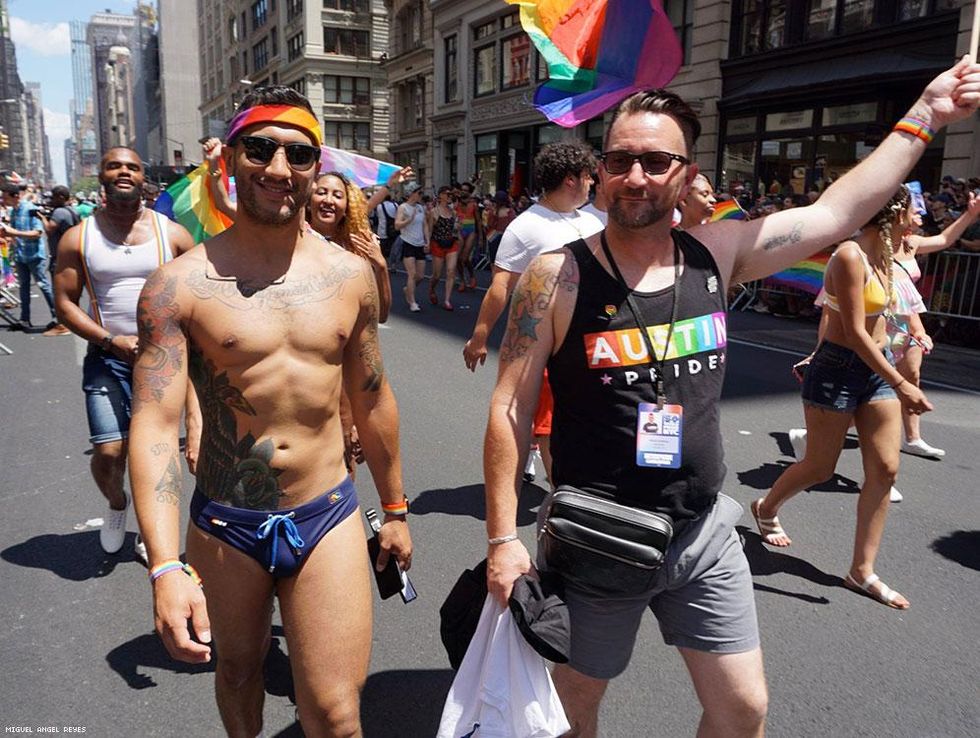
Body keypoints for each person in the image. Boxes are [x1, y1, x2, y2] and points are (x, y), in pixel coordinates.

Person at [483, 59, 980, 738]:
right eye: (620, 159)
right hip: (598, 538)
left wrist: (925, 112)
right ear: (599, 170)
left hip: (703, 532)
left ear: (686, 175)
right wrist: (502, 538)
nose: (635, 176)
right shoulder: (558, 276)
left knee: (743, 710)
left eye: (657, 161)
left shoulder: (716, 253)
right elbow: (510, 407)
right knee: (572, 719)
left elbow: (838, 210)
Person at [128, 86, 412, 738]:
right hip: (227, 522)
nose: (279, 168)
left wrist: (395, 510)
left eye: (299, 153)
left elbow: (372, 395)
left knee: (337, 715)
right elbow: (153, 427)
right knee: (237, 675)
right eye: (261, 148)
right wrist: (166, 565)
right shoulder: (177, 287)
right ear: (231, 158)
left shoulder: (351, 278)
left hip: (327, 514)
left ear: (317, 166)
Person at [751, 186, 929, 611]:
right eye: (910, 210)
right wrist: (903, 383)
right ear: (891, 214)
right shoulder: (850, 255)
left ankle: (861, 572)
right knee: (819, 467)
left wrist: (913, 334)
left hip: (876, 368)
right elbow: (852, 332)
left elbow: (884, 318)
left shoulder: (889, 254)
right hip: (839, 369)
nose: (916, 218)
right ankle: (766, 505)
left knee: (885, 468)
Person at [53, 147, 197, 557]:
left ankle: (154, 537)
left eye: (131, 167)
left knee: (152, 452)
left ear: (142, 177)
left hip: (163, 361)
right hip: (106, 357)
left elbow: (201, 289)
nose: (123, 172)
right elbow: (64, 303)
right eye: (114, 166)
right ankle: (118, 505)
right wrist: (108, 340)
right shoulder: (78, 237)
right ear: (101, 176)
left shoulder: (171, 233)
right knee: (109, 452)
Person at [465, 141, 603, 482]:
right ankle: (565, 494)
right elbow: (500, 287)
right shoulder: (526, 227)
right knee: (548, 422)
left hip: (592, 338)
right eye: (587, 177)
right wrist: (479, 337)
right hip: (547, 340)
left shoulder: (590, 218)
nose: (591, 184)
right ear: (570, 179)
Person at [1, 183, 61, 333]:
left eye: (5, 197)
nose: (3, 200)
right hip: (21, 255)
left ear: (15, 196)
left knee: (43, 285)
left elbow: (37, 233)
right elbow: (13, 233)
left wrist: (13, 232)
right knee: (24, 288)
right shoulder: (13, 212)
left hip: (34, 255)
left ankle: (59, 318)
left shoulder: (30, 209)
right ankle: (25, 318)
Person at [396, 181, 429, 312]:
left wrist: (428, 241)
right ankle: (412, 302)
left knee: (420, 276)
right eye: (419, 193)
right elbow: (397, 225)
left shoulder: (421, 208)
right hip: (407, 242)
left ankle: (408, 290)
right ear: (412, 194)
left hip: (420, 243)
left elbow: (425, 224)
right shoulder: (403, 208)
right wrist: (409, 219)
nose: (421, 195)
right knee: (412, 274)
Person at [427, 185, 460, 311]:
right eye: (447, 194)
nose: (449, 196)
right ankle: (432, 288)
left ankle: (447, 300)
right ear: (440, 196)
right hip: (438, 244)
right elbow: (430, 230)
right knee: (437, 275)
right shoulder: (433, 212)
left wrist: (457, 228)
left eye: (451, 194)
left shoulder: (453, 212)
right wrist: (427, 244)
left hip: (452, 243)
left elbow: (456, 229)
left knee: (451, 271)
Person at [455, 181, 483, 291]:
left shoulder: (473, 204)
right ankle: (462, 280)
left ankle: (472, 276)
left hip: (471, 231)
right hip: (460, 231)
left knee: (465, 258)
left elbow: (479, 221)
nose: (463, 192)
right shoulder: (457, 203)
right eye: (462, 189)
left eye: (466, 190)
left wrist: (480, 237)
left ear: (469, 192)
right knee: (458, 258)